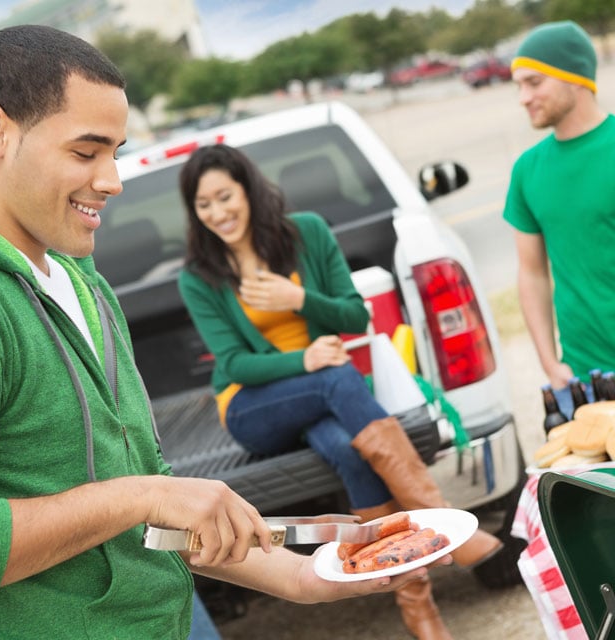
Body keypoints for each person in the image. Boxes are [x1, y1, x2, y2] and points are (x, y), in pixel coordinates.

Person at [0, 24, 449, 639]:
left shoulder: (83, 281)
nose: (113, 180)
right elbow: (141, 497)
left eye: (115, 152)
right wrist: (138, 496)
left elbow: (158, 501)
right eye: (85, 152)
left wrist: (302, 579)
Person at [177, 143, 503, 640]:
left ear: (247, 189)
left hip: (322, 394)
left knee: (348, 451)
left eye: (225, 196)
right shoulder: (200, 276)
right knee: (336, 378)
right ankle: (445, 523)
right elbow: (235, 362)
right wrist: (303, 360)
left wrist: (298, 298)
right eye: (205, 205)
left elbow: (355, 315)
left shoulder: (305, 233)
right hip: (252, 406)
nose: (218, 213)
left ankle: (418, 607)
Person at [503, 20, 614, 420]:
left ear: (575, 78)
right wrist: (551, 364)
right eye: (518, 86)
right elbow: (532, 273)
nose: (523, 97)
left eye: (534, 83)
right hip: (586, 378)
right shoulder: (527, 171)